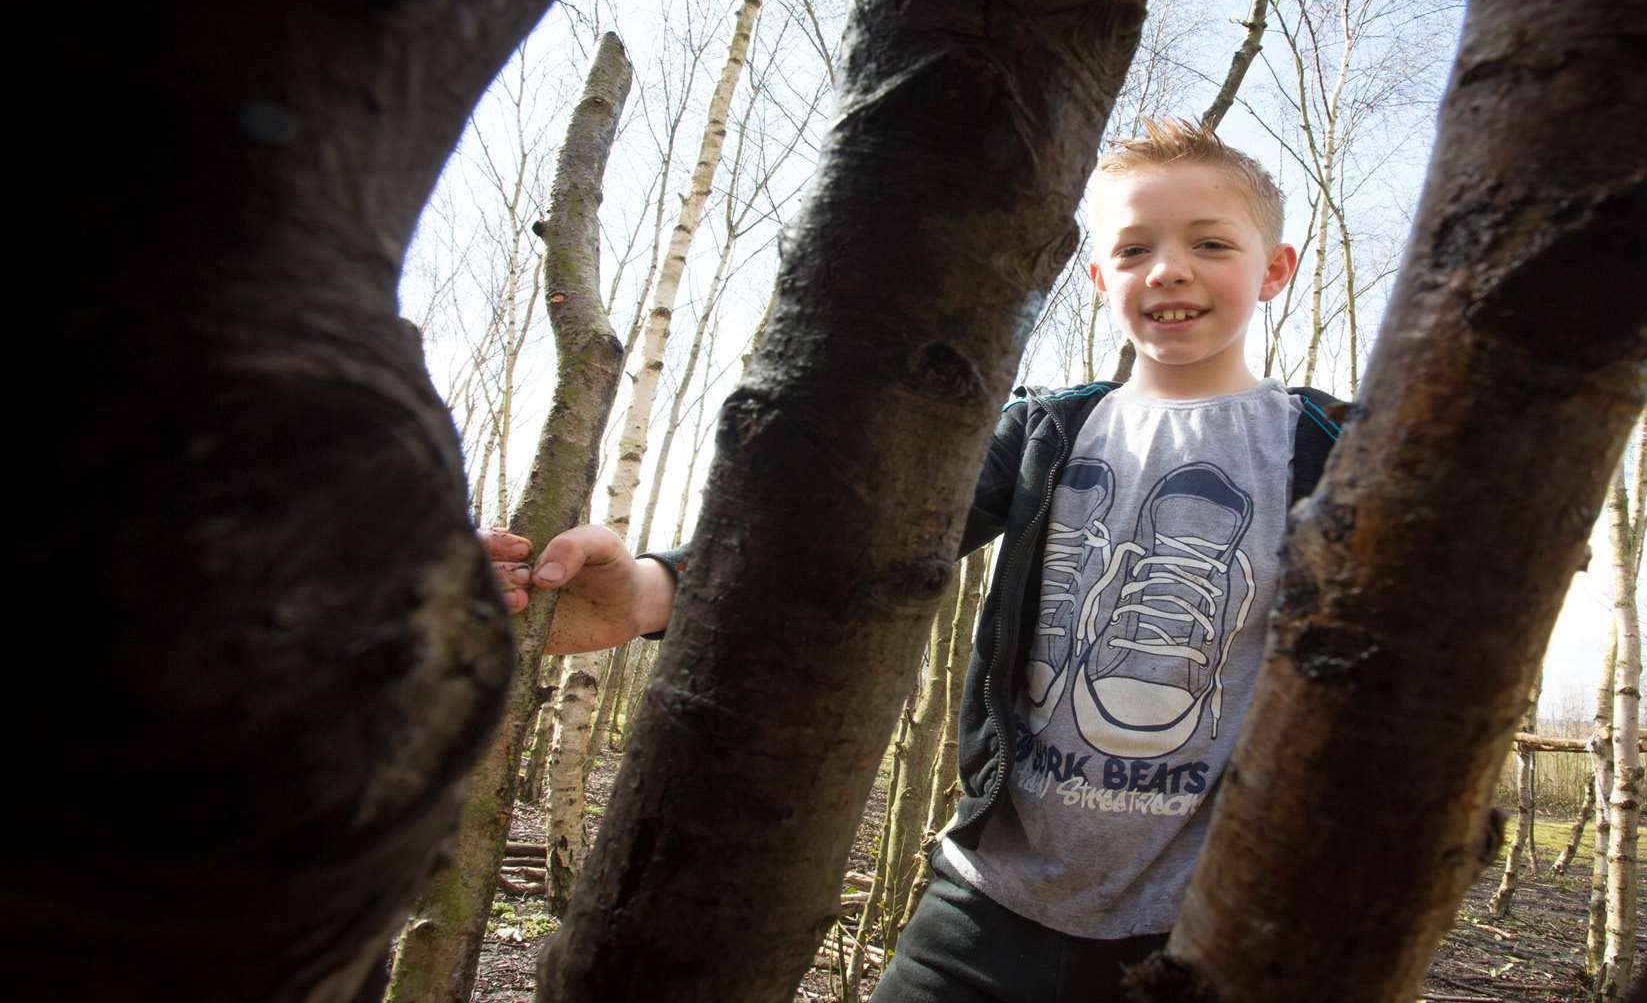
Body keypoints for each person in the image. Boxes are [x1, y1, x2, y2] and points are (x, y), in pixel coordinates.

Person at [484, 117, 1345, 1001]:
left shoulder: (1336, 448)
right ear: (1098, 279)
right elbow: (847, 540)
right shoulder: (1049, 431)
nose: (1168, 268)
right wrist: (648, 591)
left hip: (1215, 935)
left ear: (1274, 268)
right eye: (1133, 249)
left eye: (1210, 242)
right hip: (984, 911)